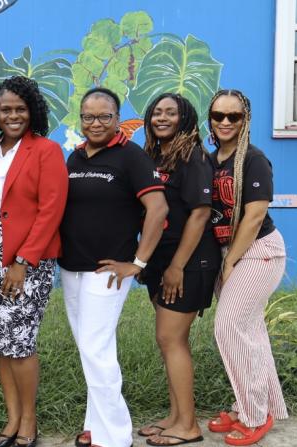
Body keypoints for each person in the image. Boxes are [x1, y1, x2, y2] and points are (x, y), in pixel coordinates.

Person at [59, 87, 168, 447]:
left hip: (107, 272)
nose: (95, 123)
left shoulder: (130, 157)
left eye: (104, 116)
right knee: (91, 350)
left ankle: (116, 436)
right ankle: (96, 425)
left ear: (117, 118)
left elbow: (158, 209)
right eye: (88, 116)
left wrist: (138, 262)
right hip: (72, 268)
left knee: (96, 350)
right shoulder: (74, 159)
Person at [0, 76, 68, 447]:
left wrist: (23, 261)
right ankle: (11, 420)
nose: (13, 116)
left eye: (20, 109)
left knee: (21, 342)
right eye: (6, 109)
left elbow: (50, 210)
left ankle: (29, 422)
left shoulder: (46, 150)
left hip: (25, 259)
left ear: (32, 111)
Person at [135, 93, 219, 447]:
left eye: (171, 112)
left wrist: (176, 267)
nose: (162, 117)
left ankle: (188, 425)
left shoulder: (193, 157)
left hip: (188, 263)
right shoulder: (154, 155)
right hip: (161, 261)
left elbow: (200, 214)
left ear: (186, 118)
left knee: (171, 340)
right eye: (157, 112)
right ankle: (175, 416)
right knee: (170, 340)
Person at [206, 89, 288, 446]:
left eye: (233, 117)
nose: (225, 122)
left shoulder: (254, 160)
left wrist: (230, 262)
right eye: (218, 115)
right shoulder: (212, 160)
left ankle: (254, 416)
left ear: (245, 120)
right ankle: (259, 405)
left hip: (257, 251)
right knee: (251, 333)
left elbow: (254, 217)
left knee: (229, 328)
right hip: (232, 252)